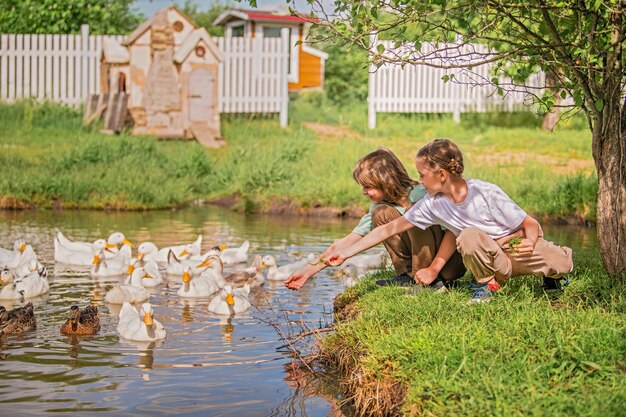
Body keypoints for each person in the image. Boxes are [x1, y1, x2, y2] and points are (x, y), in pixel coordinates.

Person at [322, 139, 573, 303]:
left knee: (560, 263)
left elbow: (530, 223)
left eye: (422, 175)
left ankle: (553, 276)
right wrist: (347, 253)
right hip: (489, 256)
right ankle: (487, 287)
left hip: (515, 249)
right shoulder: (434, 204)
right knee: (468, 235)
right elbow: (392, 227)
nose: (419, 180)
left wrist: (530, 241)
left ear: (441, 175)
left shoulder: (486, 192)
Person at [284, 147, 466, 291]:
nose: (363, 192)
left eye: (368, 186)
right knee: (382, 213)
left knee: (414, 217)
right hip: (426, 267)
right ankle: (408, 275)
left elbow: (453, 230)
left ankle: (429, 282)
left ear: (385, 181)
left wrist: (433, 269)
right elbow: (344, 243)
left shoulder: (421, 194)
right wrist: (309, 270)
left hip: (448, 264)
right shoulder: (381, 206)